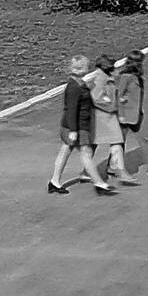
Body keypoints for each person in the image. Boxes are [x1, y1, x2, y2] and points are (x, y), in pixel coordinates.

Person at [49, 56, 110, 194]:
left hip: (76, 125)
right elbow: (71, 110)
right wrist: (73, 130)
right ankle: (99, 183)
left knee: (65, 151)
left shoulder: (78, 83)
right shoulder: (74, 87)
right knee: (86, 153)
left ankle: (54, 181)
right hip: (76, 126)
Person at [87, 53, 137, 186]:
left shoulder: (104, 78)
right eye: (113, 67)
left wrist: (117, 99)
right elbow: (96, 97)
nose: (115, 70)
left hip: (102, 118)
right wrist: (111, 104)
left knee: (94, 144)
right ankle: (119, 170)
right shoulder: (101, 80)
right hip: (103, 117)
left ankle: (86, 172)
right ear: (107, 68)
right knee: (117, 141)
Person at [116, 49, 148, 178]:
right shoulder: (126, 77)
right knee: (118, 142)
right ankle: (114, 168)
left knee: (141, 139)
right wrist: (121, 115)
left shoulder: (137, 76)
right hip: (124, 115)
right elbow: (118, 96)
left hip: (135, 115)